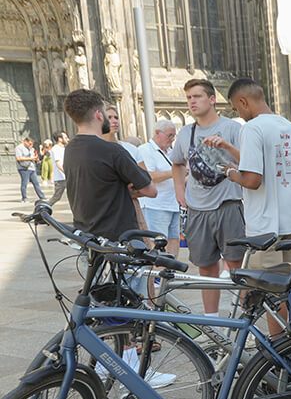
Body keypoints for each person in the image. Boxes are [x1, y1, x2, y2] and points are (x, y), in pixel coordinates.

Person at [212, 78, 291, 274]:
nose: (239, 114)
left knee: (269, 287)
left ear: (244, 102)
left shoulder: (252, 128)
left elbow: (252, 181)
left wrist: (230, 172)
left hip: (266, 226)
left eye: (236, 109)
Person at [169, 78, 245, 317]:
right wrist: (180, 191)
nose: (192, 101)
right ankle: (211, 320)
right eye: (189, 97)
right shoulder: (185, 132)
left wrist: (227, 147)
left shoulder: (233, 128)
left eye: (197, 96)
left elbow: (249, 163)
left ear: (212, 99)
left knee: (236, 266)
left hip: (228, 205)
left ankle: (246, 318)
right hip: (198, 209)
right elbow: (177, 163)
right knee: (206, 268)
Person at [60, 89, 155, 240]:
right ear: (98, 114)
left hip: (87, 238)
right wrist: (127, 189)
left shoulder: (70, 149)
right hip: (117, 242)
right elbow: (151, 190)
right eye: (105, 112)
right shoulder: (112, 150)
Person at [137, 119, 182, 257]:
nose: (172, 139)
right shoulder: (145, 150)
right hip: (155, 206)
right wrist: (174, 172)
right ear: (157, 133)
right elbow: (148, 176)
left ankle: (170, 271)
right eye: (169, 135)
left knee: (174, 240)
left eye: (174, 136)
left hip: (173, 205)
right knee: (157, 243)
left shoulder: (170, 152)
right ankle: (157, 276)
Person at [15, 136, 45, 202]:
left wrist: (35, 158)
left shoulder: (29, 148)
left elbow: (32, 156)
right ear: (25, 141)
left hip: (32, 168)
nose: (31, 145)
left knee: (36, 183)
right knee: (24, 183)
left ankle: (42, 197)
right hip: (24, 168)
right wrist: (30, 159)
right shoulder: (19, 148)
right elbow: (18, 158)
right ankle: (24, 198)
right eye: (30, 143)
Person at [46, 132, 69, 205]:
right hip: (60, 178)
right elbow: (58, 163)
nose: (68, 139)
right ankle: (43, 208)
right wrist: (66, 173)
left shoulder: (64, 149)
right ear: (59, 139)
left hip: (66, 176)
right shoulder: (56, 149)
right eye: (65, 138)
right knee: (56, 197)